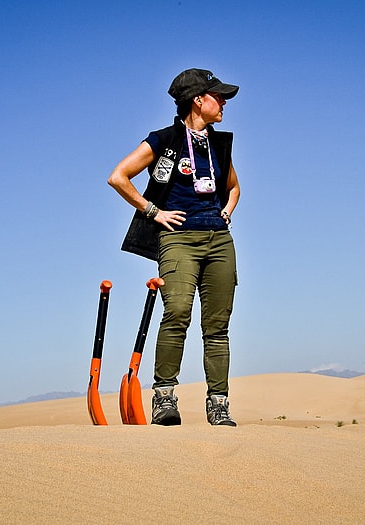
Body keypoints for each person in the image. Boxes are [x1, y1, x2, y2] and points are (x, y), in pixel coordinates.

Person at [107, 68, 241, 426]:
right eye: (218, 96)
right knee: (177, 313)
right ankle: (164, 397)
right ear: (198, 100)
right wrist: (153, 211)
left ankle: (219, 404)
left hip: (219, 240)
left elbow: (233, 187)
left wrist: (226, 212)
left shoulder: (219, 143)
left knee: (217, 326)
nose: (224, 101)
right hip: (178, 239)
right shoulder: (164, 139)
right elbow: (118, 176)